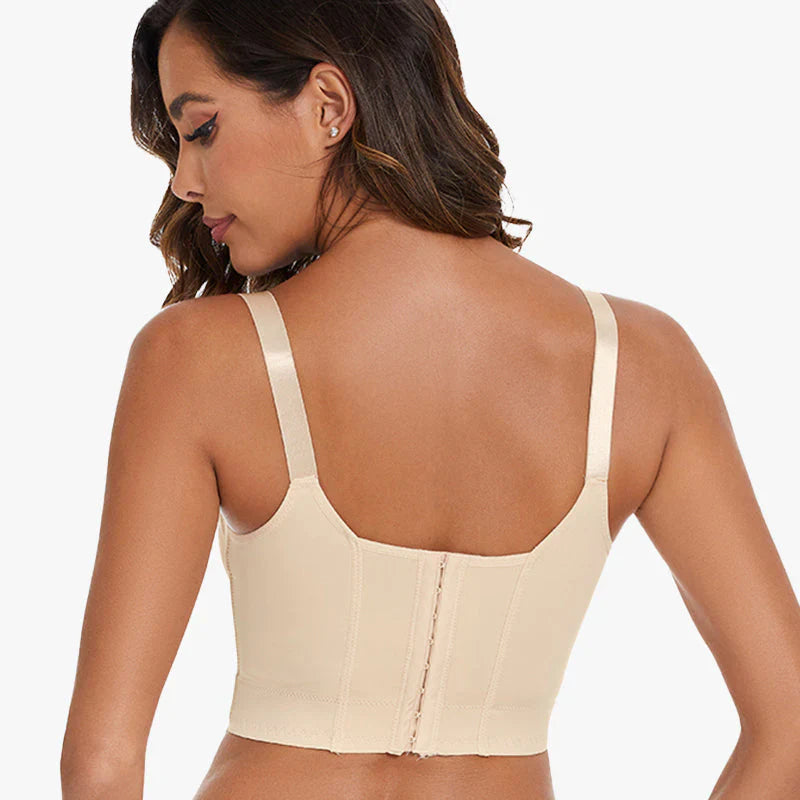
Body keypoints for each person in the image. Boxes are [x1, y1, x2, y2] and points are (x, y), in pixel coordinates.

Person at [60, 1, 800, 799]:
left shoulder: (194, 359)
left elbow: (102, 762)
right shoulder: (644, 367)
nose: (183, 179)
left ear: (329, 106)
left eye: (201, 128)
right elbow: (790, 723)